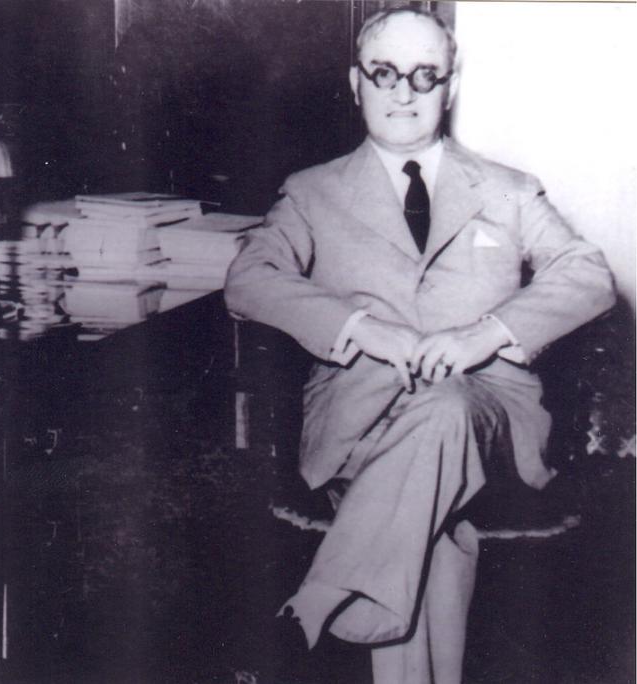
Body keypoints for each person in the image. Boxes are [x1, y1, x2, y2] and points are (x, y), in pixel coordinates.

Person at [224, 7, 615, 683]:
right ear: (356, 82)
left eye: (424, 75)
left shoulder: (508, 190)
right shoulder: (312, 193)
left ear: (450, 87)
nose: (403, 91)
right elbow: (248, 278)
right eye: (384, 73)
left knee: (446, 408)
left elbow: (588, 275)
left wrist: (486, 333)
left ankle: (318, 601)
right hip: (361, 422)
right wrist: (360, 329)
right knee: (425, 527)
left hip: (488, 419)